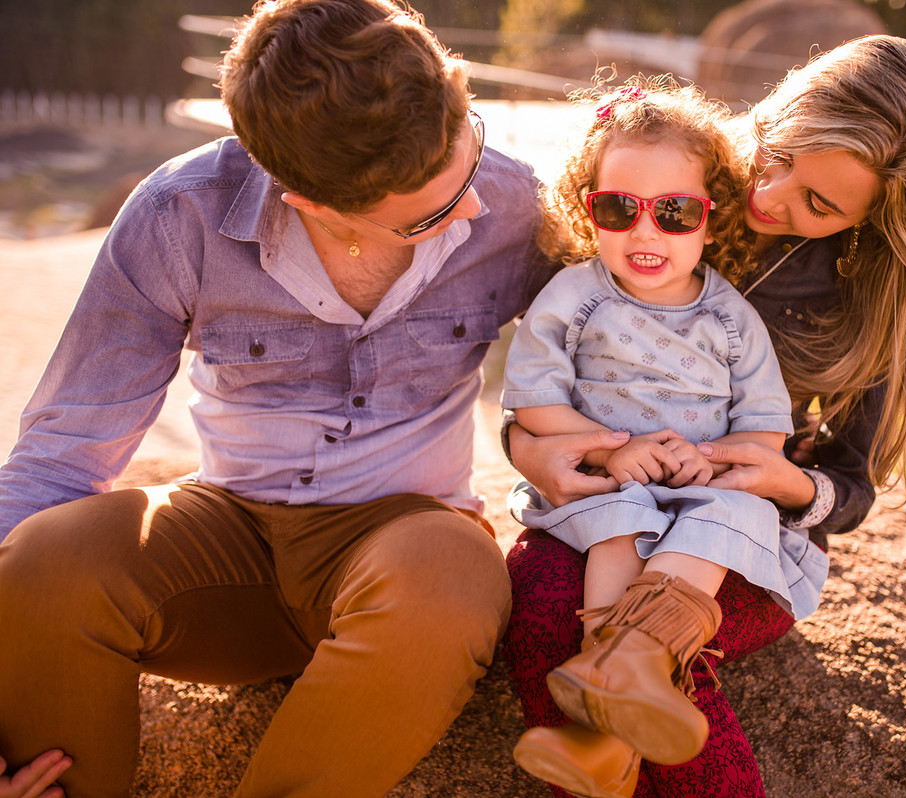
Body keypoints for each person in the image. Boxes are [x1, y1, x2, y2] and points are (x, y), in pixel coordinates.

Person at [0, 0, 555, 795]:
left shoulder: (518, 203)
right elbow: (60, 452)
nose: (472, 205)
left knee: (448, 576)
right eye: (431, 214)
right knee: (44, 562)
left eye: (467, 161)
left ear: (456, 86)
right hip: (227, 539)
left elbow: (632, 338)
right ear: (314, 205)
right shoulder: (176, 214)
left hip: (402, 549)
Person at [502, 35, 906, 798]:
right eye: (778, 152)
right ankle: (595, 758)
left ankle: (638, 728)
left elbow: (850, 487)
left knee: (657, 646)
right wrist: (531, 452)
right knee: (539, 606)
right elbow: (539, 376)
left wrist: (784, 480)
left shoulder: (858, 305)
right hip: (607, 497)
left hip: (732, 529)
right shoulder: (661, 180)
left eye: (819, 203)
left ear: (876, 219)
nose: (770, 194)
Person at [500, 80, 831, 796]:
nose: (645, 233)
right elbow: (533, 405)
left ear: (712, 219)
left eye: (674, 212)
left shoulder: (731, 315)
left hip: (698, 486)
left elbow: (767, 422)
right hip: (609, 482)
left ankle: (620, 693)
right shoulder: (572, 296)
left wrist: (706, 459)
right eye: (619, 209)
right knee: (620, 515)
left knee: (742, 511)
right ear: (588, 211)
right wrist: (609, 450)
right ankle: (618, 684)